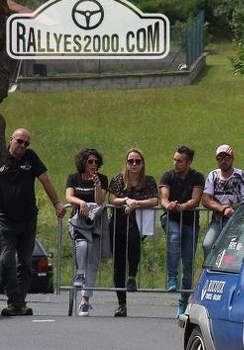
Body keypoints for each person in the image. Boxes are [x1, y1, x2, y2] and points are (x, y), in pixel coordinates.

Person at [0, 126, 65, 316]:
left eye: (26, 143)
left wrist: (57, 203)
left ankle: (18, 302)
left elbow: (45, 180)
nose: (22, 145)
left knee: (26, 263)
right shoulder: (2, 157)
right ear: (11, 139)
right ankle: (14, 299)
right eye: (19, 141)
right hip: (5, 219)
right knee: (6, 260)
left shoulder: (31, 157)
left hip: (28, 218)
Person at [107, 148, 159, 318]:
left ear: (142, 163)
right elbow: (112, 199)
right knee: (118, 263)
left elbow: (155, 199)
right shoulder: (118, 178)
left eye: (137, 161)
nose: (134, 164)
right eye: (131, 161)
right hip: (118, 223)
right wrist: (126, 200)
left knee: (135, 244)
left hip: (137, 224)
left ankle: (132, 277)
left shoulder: (148, 180)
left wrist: (136, 203)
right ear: (126, 163)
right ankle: (121, 303)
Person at [159, 145, 204, 316]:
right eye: (175, 160)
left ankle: (183, 303)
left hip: (190, 222)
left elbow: (195, 199)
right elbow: (163, 197)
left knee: (188, 263)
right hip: (171, 219)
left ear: (189, 162)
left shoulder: (197, 177)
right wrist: (169, 205)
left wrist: (182, 206)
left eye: (180, 161)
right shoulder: (168, 175)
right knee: (174, 236)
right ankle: (171, 276)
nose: (176, 163)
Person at [66, 148, 110, 317]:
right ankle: (79, 275)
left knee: (93, 260)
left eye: (96, 162)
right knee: (83, 245)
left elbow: (100, 201)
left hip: (96, 223)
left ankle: (85, 301)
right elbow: (69, 197)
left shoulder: (102, 179)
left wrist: (97, 184)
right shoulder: (74, 178)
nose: (93, 164)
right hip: (78, 222)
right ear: (83, 162)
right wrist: (82, 203)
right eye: (90, 161)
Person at [201, 145, 244, 258]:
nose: (223, 161)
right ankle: (210, 271)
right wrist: (223, 208)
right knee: (207, 244)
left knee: (232, 250)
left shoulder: (241, 176)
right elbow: (205, 200)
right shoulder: (213, 176)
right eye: (220, 158)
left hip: (237, 220)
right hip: (217, 219)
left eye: (226, 158)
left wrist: (234, 207)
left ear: (232, 159)